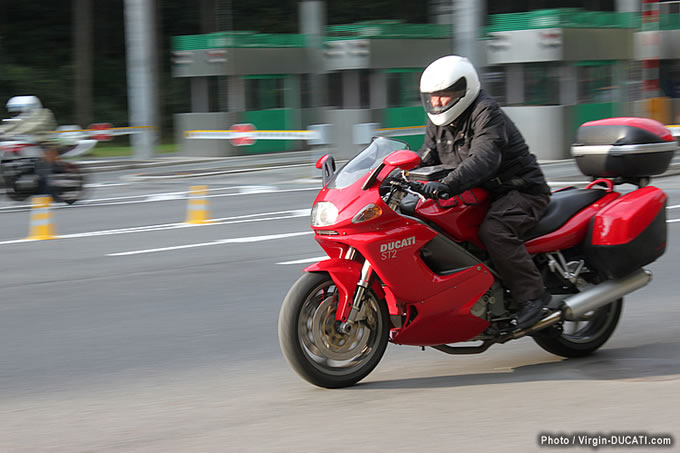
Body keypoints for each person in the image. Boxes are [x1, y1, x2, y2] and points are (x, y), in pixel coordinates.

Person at [413, 55, 552, 329]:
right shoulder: (438, 122)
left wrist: (447, 184)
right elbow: (426, 157)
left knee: (496, 232)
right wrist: (393, 175)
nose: (437, 102)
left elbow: (485, 158)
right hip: (476, 193)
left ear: (463, 90)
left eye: (444, 95)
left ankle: (533, 298)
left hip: (519, 190)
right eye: (432, 97)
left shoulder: (485, 112)